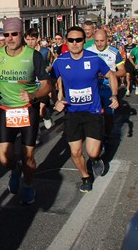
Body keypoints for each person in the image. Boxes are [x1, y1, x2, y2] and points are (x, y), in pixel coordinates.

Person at [0, 18, 51, 203]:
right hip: (6, 110)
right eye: (6, 34)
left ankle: (29, 185)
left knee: (28, 157)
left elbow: (47, 86)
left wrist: (33, 96)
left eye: (14, 34)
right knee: (3, 158)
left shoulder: (33, 55)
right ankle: (14, 169)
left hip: (27, 111)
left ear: (21, 34)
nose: (10, 38)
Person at [52, 26, 119, 193]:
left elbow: (111, 75)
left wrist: (114, 95)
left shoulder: (94, 59)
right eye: (71, 40)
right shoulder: (61, 61)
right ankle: (85, 177)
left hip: (92, 111)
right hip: (72, 113)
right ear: (66, 42)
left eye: (78, 40)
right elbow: (49, 83)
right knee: (75, 152)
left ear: (84, 41)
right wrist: (56, 100)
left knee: (92, 151)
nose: (75, 43)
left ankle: (96, 159)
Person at [87, 29, 126, 150]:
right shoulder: (88, 51)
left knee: (109, 116)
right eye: (97, 41)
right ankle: (96, 137)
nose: (99, 44)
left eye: (102, 41)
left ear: (107, 40)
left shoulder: (114, 52)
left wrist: (109, 74)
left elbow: (123, 71)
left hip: (108, 88)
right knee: (94, 115)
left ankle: (107, 134)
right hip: (93, 88)